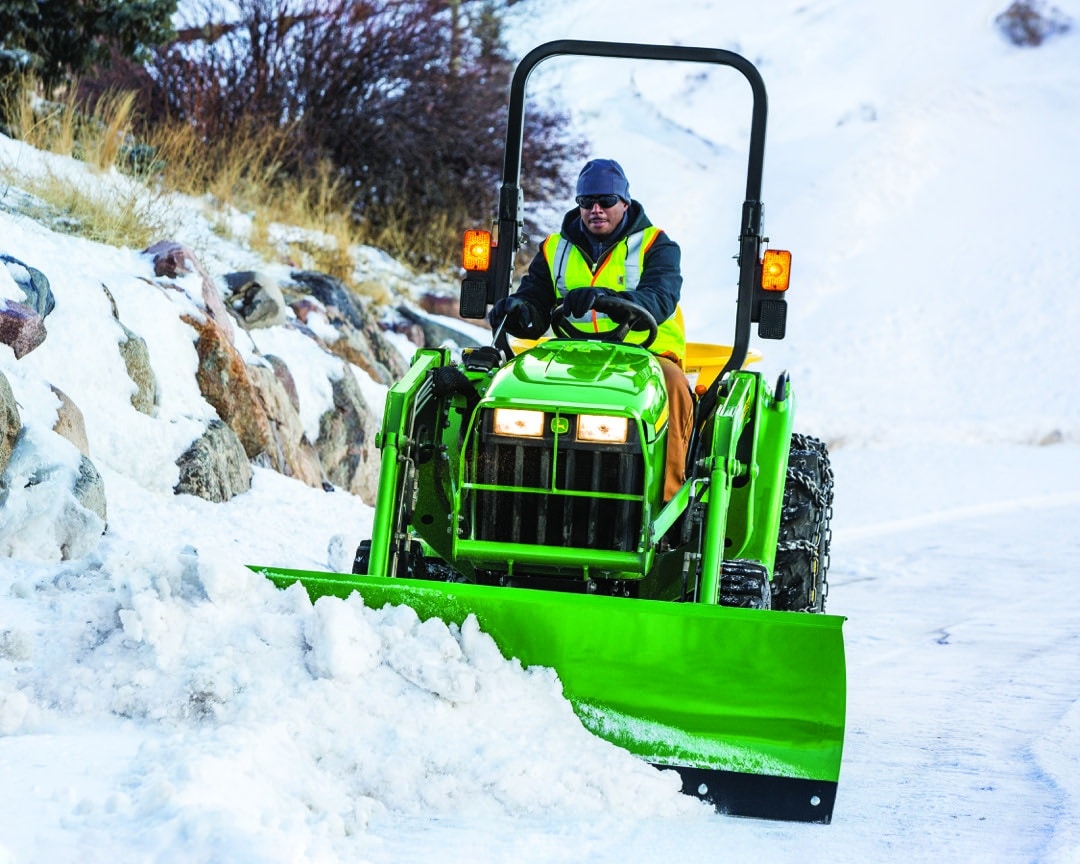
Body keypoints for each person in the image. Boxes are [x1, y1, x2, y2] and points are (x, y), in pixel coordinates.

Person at [488, 158, 693, 502]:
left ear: (624, 202)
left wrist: (607, 299)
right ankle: (506, 497)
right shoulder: (555, 248)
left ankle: (667, 499)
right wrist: (519, 309)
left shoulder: (657, 245)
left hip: (645, 357)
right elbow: (536, 303)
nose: (596, 209)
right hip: (570, 358)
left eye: (606, 201)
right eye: (587, 202)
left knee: (672, 385)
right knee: (509, 388)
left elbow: (660, 297)